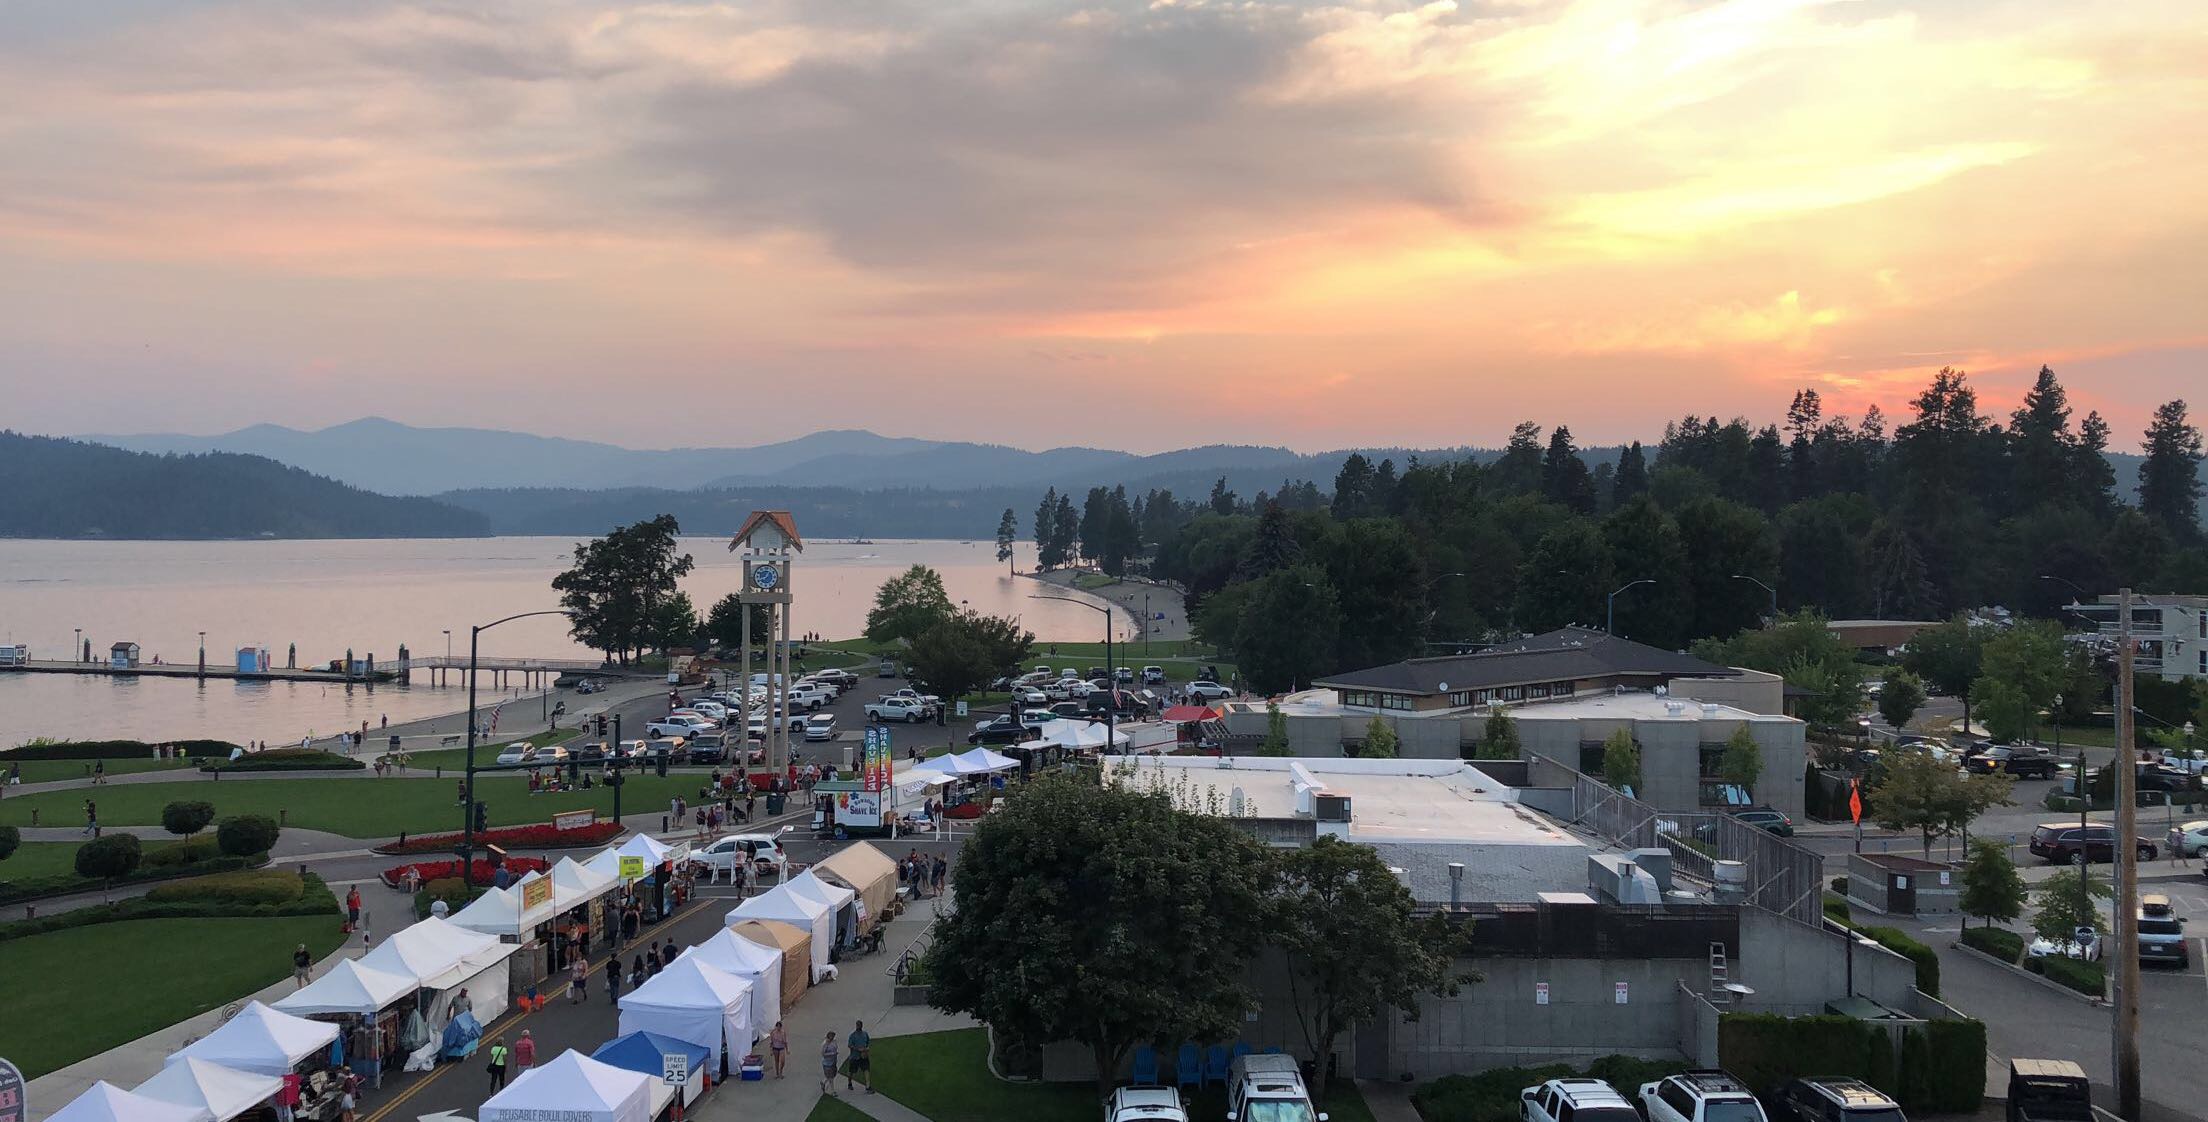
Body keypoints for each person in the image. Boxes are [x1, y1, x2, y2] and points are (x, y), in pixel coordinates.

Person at [846, 1020, 873, 1093]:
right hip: (855, 1057)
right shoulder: (852, 1035)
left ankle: (868, 1087)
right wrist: (858, 1049)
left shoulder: (865, 1034)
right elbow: (849, 1045)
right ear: (856, 1026)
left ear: (862, 1026)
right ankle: (849, 1082)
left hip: (864, 1056)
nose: (859, 1026)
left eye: (860, 1025)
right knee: (851, 1071)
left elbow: (867, 1042)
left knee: (866, 1070)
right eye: (858, 1025)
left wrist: (867, 1048)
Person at [819, 1031, 840, 1097]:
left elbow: (836, 1048)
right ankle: (833, 1091)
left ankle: (823, 1082)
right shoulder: (825, 1044)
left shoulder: (834, 1041)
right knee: (831, 1078)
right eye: (831, 1036)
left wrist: (835, 1054)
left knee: (832, 1075)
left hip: (833, 1061)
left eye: (833, 1036)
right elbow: (823, 1054)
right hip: (827, 1063)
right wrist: (832, 1054)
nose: (832, 1038)